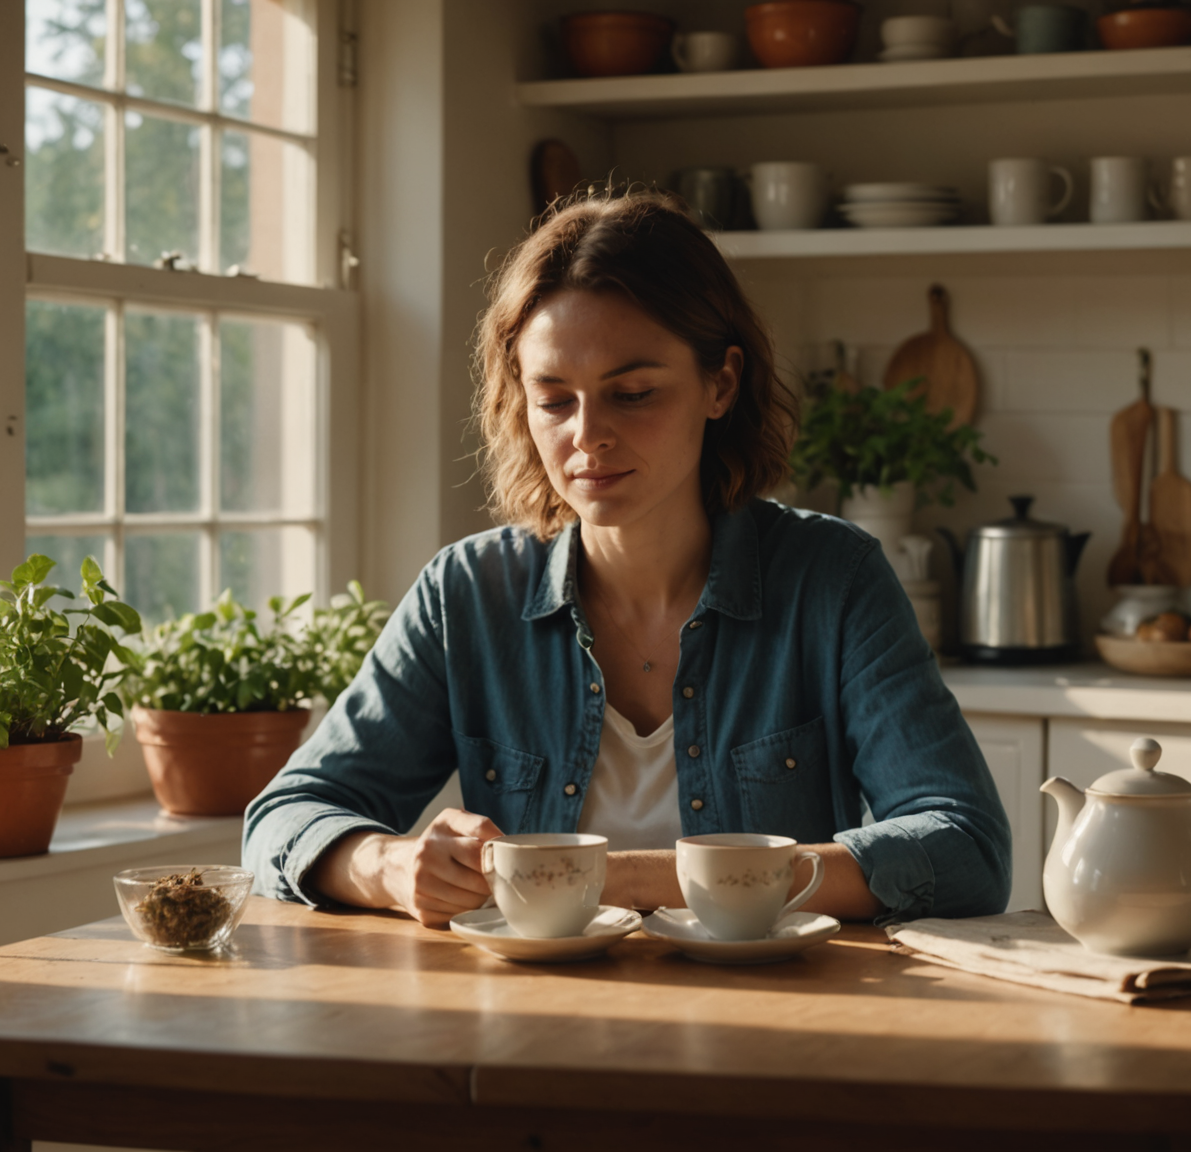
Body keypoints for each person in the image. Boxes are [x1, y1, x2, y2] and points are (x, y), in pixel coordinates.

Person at [244, 190, 1010, 928]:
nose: (587, 435)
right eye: (553, 398)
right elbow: (283, 818)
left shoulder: (832, 581)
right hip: (534, 1021)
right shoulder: (465, 594)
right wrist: (389, 865)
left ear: (722, 383)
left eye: (633, 392)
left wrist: (616, 876)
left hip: (772, 1024)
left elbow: (965, 847)